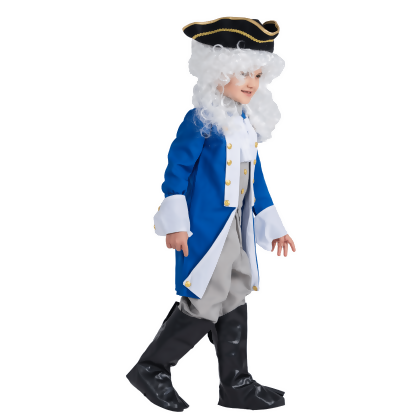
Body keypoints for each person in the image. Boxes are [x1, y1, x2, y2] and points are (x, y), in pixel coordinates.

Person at [126, 16, 296, 412]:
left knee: (235, 291)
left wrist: (273, 226)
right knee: (205, 296)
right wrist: (176, 225)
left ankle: (236, 383)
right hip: (205, 230)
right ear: (217, 72)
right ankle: (152, 367)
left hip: (236, 227)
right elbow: (176, 173)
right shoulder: (200, 121)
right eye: (243, 73)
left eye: (257, 74)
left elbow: (255, 180)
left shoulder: (246, 124)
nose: (252, 83)